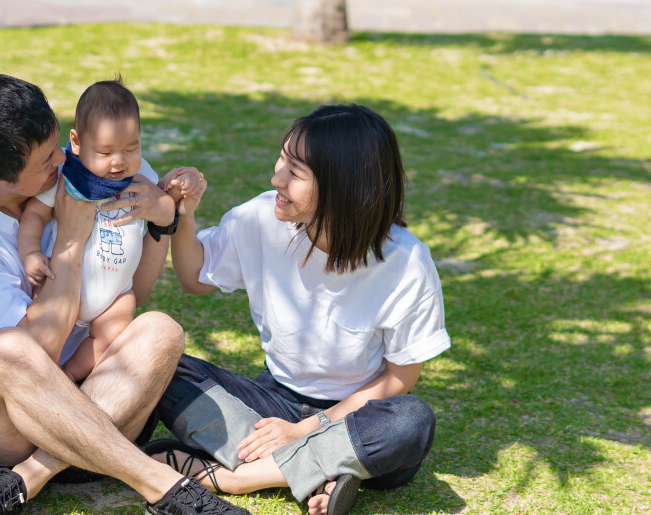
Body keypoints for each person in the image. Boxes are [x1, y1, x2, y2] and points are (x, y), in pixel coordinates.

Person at [0, 73, 249, 515]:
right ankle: (162, 485)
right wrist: (70, 241)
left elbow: (133, 289)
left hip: (98, 401)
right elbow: (40, 353)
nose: (62, 158)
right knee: (7, 350)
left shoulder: (90, 167)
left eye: (58, 143)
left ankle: (27, 479)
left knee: (161, 330)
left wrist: (164, 217)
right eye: (45, 162)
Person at [144, 104, 451, 515]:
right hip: (272, 402)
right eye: (282, 160)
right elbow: (194, 278)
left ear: (343, 187)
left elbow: (401, 377)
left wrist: (306, 430)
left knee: (410, 421)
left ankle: (236, 476)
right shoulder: (261, 219)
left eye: (294, 172)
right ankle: (325, 474)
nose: (276, 178)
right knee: (158, 361)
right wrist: (185, 214)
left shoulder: (406, 261)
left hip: (357, 416)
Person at [17, 78, 201, 382]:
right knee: (47, 325)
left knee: (114, 330)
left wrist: (179, 184)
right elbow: (35, 215)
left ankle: (69, 377)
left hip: (116, 294)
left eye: (132, 147)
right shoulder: (68, 177)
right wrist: (31, 252)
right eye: (105, 152)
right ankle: (50, 377)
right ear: (76, 142)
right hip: (66, 283)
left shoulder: (141, 175)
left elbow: (162, 194)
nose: (119, 161)